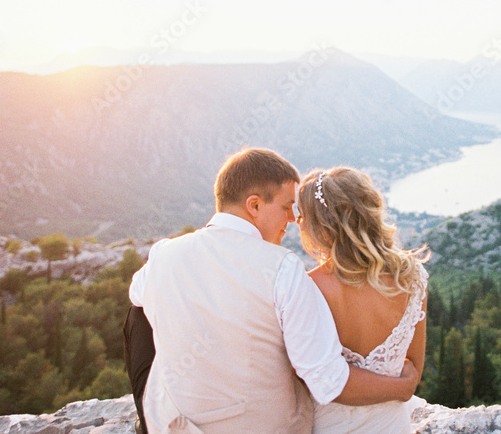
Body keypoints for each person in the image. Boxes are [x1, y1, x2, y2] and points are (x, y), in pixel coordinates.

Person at [127, 148, 419, 434]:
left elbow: (137, 296)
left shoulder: (165, 254)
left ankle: (150, 415)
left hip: (171, 424)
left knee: (136, 315)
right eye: (285, 207)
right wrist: (403, 387)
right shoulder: (283, 269)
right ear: (254, 206)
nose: (293, 219)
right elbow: (327, 380)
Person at [297, 167, 429, 434]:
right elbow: (413, 368)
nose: (298, 222)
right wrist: (400, 387)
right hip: (393, 426)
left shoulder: (308, 287)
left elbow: (317, 381)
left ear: (322, 227)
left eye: (302, 216)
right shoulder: (413, 278)